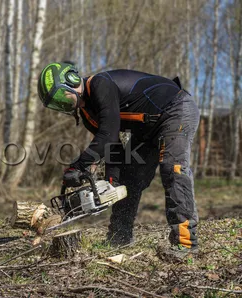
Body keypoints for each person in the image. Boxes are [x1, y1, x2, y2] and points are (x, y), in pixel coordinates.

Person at [37, 62, 200, 258]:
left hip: (175, 110)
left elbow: (108, 134)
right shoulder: (88, 115)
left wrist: (79, 165)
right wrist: (112, 182)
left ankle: (186, 243)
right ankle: (119, 236)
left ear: (71, 81)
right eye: (56, 103)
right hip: (146, 130)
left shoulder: (99, 85)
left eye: (60, 97)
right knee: (130, 177)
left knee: (173, 169)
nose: (62, 104)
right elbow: (112, 148)